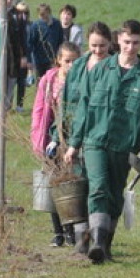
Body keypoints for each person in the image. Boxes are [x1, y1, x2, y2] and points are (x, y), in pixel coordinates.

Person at [64, 19, 140, 264]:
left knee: (114, 193)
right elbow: (84, 107)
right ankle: (96, 241)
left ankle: (106, 242)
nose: (130, 47)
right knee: (97, 186)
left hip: (124, 145)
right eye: (127, 42)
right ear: (119, 40)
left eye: (136, 43)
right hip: (95, 140)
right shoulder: (100, 70)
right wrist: (74, 143)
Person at [61, 21, 113, 254]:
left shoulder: (114, 68)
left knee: (100, 188)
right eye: (93, 46)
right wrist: (59, 134)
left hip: (102, 136)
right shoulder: (79, 66)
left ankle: (101, 240)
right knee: (78, 186)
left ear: (110, 44)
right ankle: (82, 240)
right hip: (75, 135)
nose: (98, 51)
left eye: (102, 46)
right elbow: (68, 103)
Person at [31, 41, 81, 247]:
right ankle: (57, 231)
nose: (70, 65)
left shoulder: (81, 80)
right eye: (66, 61)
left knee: (70, 183)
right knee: (53, 181)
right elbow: (40, 110)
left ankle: (71, 229)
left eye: (74, 61)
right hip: (52, 137)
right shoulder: (49, 81)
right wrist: (39, 140)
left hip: (73, 137)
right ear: (58, 60)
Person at [26, 3, 64, 86]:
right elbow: (30, 43)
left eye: (44, 14)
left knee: (53, 82)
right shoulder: (36, 26)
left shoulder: (56, 24)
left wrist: (59, 56)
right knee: (41, 83)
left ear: (49, 12)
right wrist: (29, 60)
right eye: (41, 15)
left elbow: (61, 41)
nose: (43, 17)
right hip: (39, 60)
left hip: (53, 59)